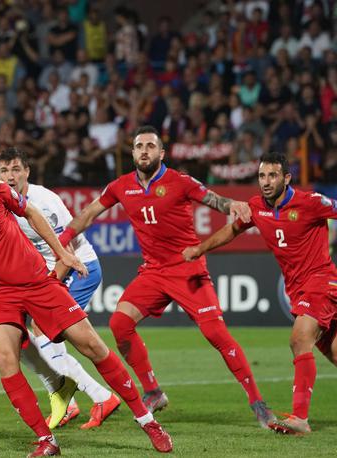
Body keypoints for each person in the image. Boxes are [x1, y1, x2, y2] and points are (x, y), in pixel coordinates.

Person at [0, 154, 173, 456]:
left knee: (92, 346)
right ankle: (47, 440)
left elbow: (31, 213)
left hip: (36, 283)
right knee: (5, 359)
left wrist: (62, 254)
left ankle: (147, 421)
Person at [56, 125, 276, 428]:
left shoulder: (179, 181)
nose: (144, 151)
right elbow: (89, 214)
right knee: (120, 324)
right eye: (138, 146)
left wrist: (233, 205)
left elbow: (214, 200)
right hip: (153, 272)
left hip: (188, 269)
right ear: (132, 152)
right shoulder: (122, 185)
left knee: (216, 335)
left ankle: (258, 403)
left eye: (150, 146)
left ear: (162, 153)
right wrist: (61, 241)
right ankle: (153, 392)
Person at [183, 152, 337, 435]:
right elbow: (231, 231)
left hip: (322, 282)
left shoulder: (310, 202)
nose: (266, 182)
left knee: (299, 338)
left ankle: (300, 419)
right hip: (297, 289)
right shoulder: (256, 207)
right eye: (262, 176)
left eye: (273, 176)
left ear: (286, 178)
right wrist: (199, 248)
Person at [0, 147, 121, 430]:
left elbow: (67, 246)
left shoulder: (43, 201)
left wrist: (50, 284)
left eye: (16, 169)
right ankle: (86, 399)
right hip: (46, 274)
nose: (10, 176)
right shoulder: (3, 201)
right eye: (4, 170)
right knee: (24, 337)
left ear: (27, 171)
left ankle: (90, 399)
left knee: (42, 333)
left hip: (78, 269)